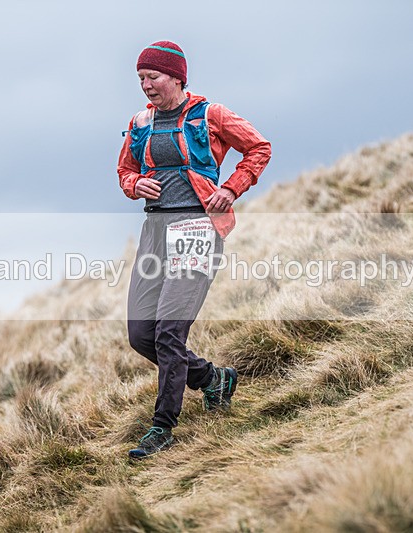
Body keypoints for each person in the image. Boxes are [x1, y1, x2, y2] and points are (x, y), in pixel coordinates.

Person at [117, 40, 271, 459]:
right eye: (141, 79)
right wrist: (135, 185)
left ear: (177, 77)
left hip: (197, 228)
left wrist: (231, 187)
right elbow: (124, 169)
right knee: (140, 334)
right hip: (154, 231)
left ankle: (162, 428)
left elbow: (259, 147)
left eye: (153, 77)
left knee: (169, 331)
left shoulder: (211, 114)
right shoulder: (139, 121)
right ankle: (213, 379)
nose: (146, 85)